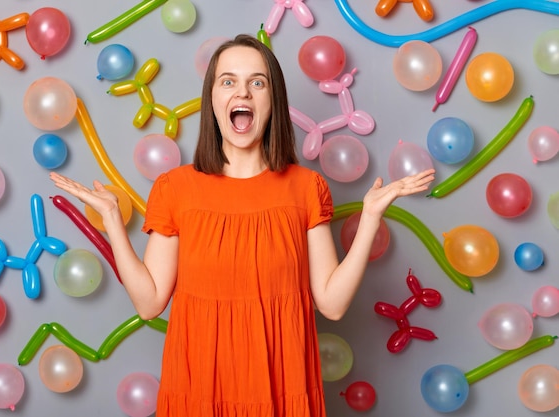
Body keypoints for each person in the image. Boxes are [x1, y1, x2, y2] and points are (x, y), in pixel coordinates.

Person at [50, 34, 434, 416]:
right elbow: (149, 303)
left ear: (273, 100)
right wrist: (113, 221)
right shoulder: (175, 188)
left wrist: (369, 217)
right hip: (199, 389)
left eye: (258, 82)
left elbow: (332, 305)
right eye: (228, 81)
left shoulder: (305, 187)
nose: (243, 93)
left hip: (282, 390)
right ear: (213, 99)